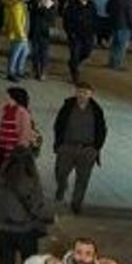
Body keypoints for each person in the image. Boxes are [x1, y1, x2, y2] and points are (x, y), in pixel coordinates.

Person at [51, 82, 107, 215]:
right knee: (61, 172)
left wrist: (96, 148)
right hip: (67, 147)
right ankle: (62, 187)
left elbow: (102, 130)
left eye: (86, 93)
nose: (82, 95)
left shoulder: (96, 110)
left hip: (87, 150)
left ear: (91, 94)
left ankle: (77, 203)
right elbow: (58, 125)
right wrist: (59, 145)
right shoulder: (68, 107)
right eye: (80, 92)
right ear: (76, 92)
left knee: (83, 178)